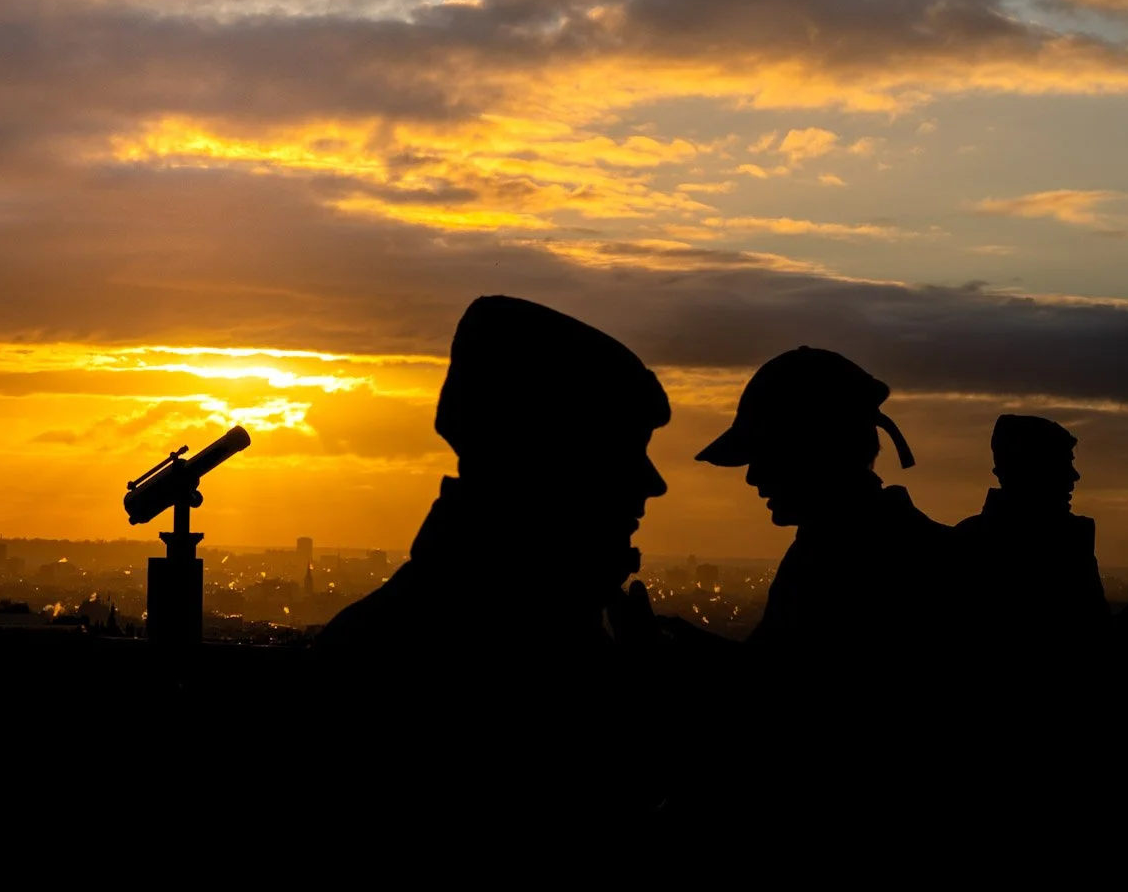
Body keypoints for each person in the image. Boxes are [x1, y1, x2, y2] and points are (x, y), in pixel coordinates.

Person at [313, 296, 674, 814]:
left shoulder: (392, 637)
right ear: (549, 459)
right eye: (622, 451)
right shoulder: (525, 649)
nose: (652, 483)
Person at [696, 347, 950, 670]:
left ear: (816, 452)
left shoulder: (854, 563)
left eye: (767, 456)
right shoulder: (832, 549)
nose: (751, 476)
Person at [953, 415, 1110, 664]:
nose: (1075, 476)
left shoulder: (967, 539)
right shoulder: (1065, 546)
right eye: (1062, 464)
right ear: (1031, 469)